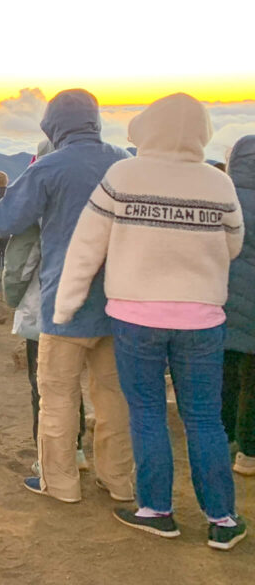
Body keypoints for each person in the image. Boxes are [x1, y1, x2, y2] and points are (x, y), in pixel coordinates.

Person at [54, 93, 246, 549]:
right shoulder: (218, 183)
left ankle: (156, 510)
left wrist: (66, 306)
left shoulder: (123, 175)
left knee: (146, 414)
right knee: (204, 419)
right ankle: (222, 519)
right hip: (201, 319)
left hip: (135, 317)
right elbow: (233, 244)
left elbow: (86, 247)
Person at [0, 89, 133, 506]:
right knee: (113, 400)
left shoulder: (48, 168)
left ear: (53, 125)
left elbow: (5, 221)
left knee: (57, 397)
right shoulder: (126, 163)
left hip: (63, 305)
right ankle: (120, 481)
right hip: (119, 302)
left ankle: (61, 483)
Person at [4, 141, 88, 474]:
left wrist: (12, 298)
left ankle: (54, 460)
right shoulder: (94, 189)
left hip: (46, 306)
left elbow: (20, 263)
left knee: (46, 384)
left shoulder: (36, 203)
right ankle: (79, 449)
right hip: (91, 305)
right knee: (79, 383)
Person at [223, 135, 255, 478]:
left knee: (225, 373)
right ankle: (249, 453)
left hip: (223, 298)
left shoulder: (222, 196)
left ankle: (225, 437)